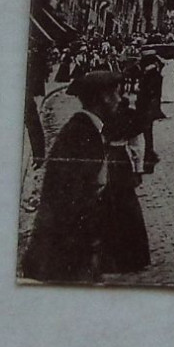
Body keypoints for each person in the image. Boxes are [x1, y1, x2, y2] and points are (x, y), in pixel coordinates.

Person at [21, 70, 121, 282]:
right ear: (104, 98)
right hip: (64, 249)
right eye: (116, 94)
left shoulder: (87, 130)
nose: (119, 100)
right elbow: (72, 198)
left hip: (70, 247)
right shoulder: (81, 134)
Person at [98, 95, 151, 274]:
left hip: (108, 158)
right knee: (126, 206)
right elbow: (138, 146)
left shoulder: (102, 114)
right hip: (121, 160)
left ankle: (109, 257)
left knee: (109, 204)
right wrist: (138, 169)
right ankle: (132, 256)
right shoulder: (130, 116)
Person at [135, 50, 165, 172]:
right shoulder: (153, 73)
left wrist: (140, 89)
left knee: (145, 135)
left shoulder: (151, 75)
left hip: (146, 108)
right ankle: (148, 159)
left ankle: (148, 160)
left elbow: (149, 92)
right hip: (148, 108)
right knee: (147, 135)